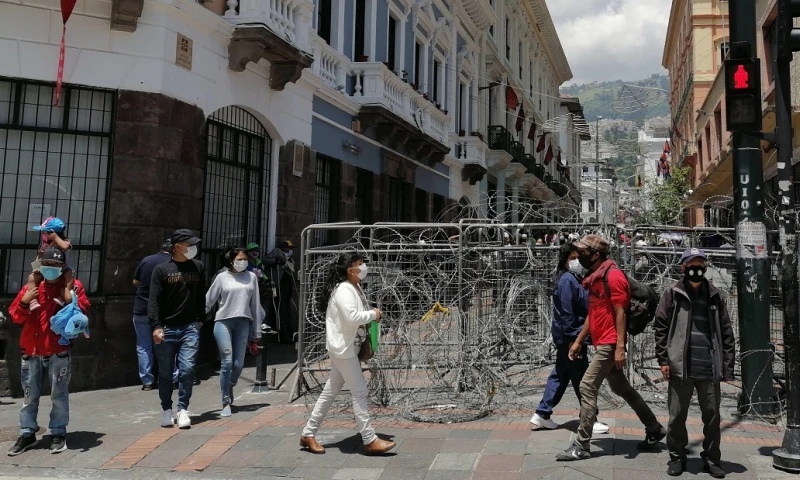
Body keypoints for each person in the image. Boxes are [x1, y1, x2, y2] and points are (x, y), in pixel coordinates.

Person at [557, 235, 665, 461]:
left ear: (595, 255)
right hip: (600, 341)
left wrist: (620, 348)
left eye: (582, 252)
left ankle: (582, 444)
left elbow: (621, 312)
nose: (578, 257)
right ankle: (654, 428)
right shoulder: (594, 277)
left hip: (610, 342)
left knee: (587, 386)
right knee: (622, 389)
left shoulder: (613, 276)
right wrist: (578, 340)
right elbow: (593, 314)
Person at [299, 252, 396, 455]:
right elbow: (352, 317)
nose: (363, 267)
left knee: (330, 391)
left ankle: (308, 433)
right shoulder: (344, 289)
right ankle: (369, 439)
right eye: (359, 264)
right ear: (350, 270)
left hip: (347, 347)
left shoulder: (354, 286)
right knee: (359, 392)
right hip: (343, 349)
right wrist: (373, 314)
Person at [654, 248, 735, 478]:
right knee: (677, 416)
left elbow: (727, 333)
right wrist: (663, 360)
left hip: (708, 367)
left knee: (712, 416)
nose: (696, 269)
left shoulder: (715, 295)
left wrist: (726, 368)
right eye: (692, 264)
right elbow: (660, 326)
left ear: (706, 267)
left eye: (700, 264)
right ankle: (677, 457)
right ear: (683, 267)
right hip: (681, 366)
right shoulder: (673, 293)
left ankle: (711, 459)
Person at [7, 247, 90, 455]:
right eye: (47, 265)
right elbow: (16, 316)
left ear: (63, 268)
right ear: (40, 266)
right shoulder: (32, 287)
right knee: (28, 397)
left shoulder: (74, 286)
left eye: (55, 266)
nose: (50, 270)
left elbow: (82, 314)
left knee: (59, 395)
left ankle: (58, 432)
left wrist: (69, 290)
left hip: (58, 350)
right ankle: (27, 433)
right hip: (31, 351)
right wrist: (25, 301)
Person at [531, 243, 608, 435]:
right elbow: (567, 314)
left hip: (569, 336)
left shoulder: (575, 279)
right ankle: (591, 418)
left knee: (560, 375)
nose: (576, 262)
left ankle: (543, 412)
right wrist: (576, 340)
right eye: (572, 258)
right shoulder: (567, 281)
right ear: (565, 262)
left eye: (578, 258)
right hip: (570, 337)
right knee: (583, 378)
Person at [148, 229, 205, 429]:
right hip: (166, 328)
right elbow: (153, 300)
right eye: (189, 245)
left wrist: (201, 319)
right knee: (165, 373)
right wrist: (156, 326)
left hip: (189, 326)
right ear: (178, 247)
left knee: (187, 369)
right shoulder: (162, 269)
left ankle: (183, 409)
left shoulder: (198, 267)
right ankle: (166, 409)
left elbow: (200, 295)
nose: (193, 248)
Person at [205, 246, 263, 417]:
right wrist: (198, 318)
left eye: (245, 259)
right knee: (227, 362)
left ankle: (229, 384)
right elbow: (209, 300)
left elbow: (255, 305)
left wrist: (257, 332)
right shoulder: (221, 277)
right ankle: (225, 402)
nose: (243, 262)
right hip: (223, 322)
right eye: (239, 259)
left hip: (243, 322)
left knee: (238, 364)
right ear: (231, 260)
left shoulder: (251, 277)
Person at [132, 240, 178, 390]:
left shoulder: (146, 260)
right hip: (163, 312)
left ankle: (147, 381)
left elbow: (135, 281)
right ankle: (172, 377)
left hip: (142, 309)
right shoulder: (174, 264)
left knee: (144, 346)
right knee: (168, 345)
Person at [27, 217, 71, 312]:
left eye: (45, 232)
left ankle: (64, 294)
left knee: (70, 274)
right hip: (46, 268)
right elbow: (40, 255)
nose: (43, 235)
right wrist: (36, 267)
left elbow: (66, 247)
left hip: (62, 269)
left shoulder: (65, 241)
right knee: (32, 277)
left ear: (52, 232)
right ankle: (33, 300)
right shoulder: (44, 244)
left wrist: (55, 237)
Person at [264, 240, 297, 343]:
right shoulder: (277, 252)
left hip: (287, 288)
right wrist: (277, 260)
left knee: (287, 311)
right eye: (289, 248)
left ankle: (289, 333)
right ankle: (281, 334)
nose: (290, 250)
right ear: (283, 248)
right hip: (279, 286)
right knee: (280, 310)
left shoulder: (290, 259)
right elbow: (266, 260)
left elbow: (291, 270)